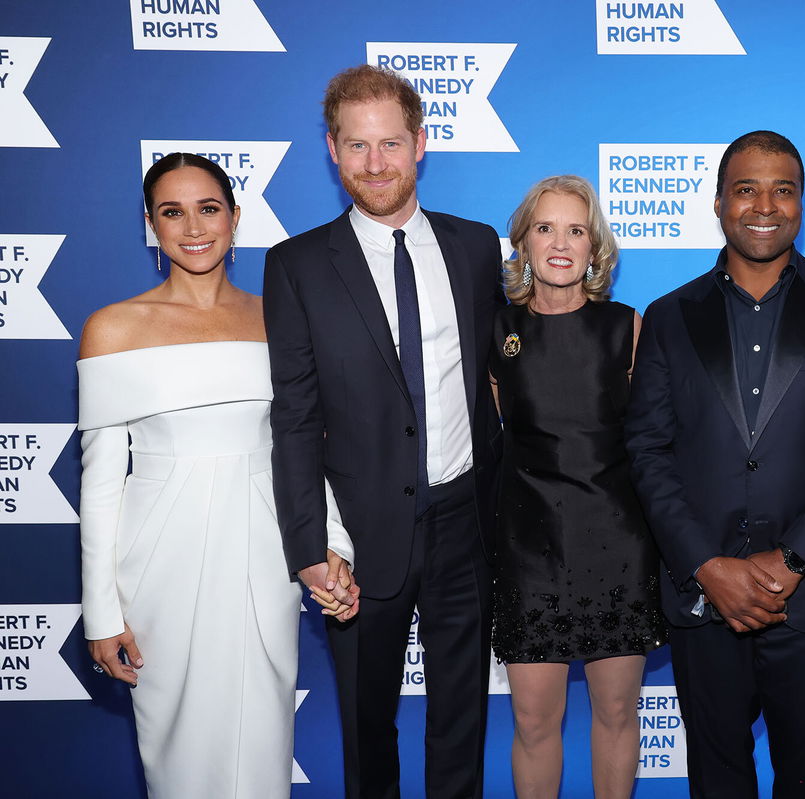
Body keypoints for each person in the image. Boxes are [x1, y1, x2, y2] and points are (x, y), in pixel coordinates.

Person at [625, 130, 805, 798]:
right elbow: (647, 449)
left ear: (801, 203)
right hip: (705, 601)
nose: (764, 205)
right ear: (718, 202)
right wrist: (705, 564)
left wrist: (792, 561)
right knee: (716, 782)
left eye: (783, 190)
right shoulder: (669, 316)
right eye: (746, 189)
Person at [78, 153, 357, 799]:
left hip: (265, 556)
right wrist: (100, 613)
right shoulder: (112, 328)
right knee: (178, 751)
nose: (194, 226)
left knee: (262, 743)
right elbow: (100, 486)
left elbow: (301, 449)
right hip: (159, 566)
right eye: (172, 212)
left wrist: (332, 543)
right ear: (150, 224)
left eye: (208, 208)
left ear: (234, 216)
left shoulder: (280, 319)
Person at [263, 65, 503, 799]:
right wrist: (311, 546)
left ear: (420, 144)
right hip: (359, 538)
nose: (375, 164)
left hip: (465, 522)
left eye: (391, 143)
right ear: (333, 151)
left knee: (462, 720)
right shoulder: (297, 265)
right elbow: (295, 416)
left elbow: (503, 377)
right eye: (357, 145)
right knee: (366, 727)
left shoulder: (476, 247)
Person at [490, 175, 666, 799]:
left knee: (616, 714)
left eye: (576, 230)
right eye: (545, 228)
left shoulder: (626, 327)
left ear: (595, 248)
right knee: (534, 721)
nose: (560, 243)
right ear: (523, 243)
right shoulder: (497, 331)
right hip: (527, 551)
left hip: (616, 545)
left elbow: (653, 443)